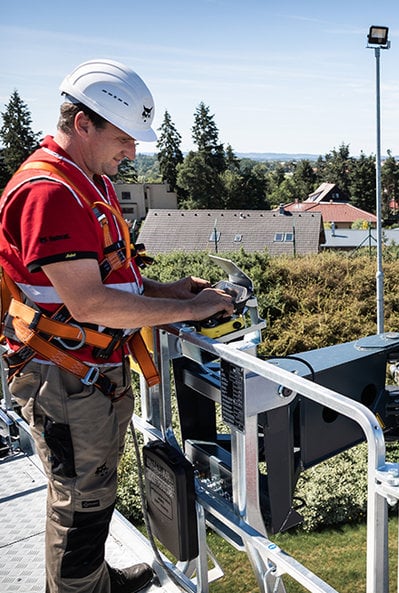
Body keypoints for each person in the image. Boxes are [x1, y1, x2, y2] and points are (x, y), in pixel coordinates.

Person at [0, 59, 235, 593]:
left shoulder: (88, 181)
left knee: (93, 492)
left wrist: (170, 291)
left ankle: (95, 579)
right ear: (83, 123)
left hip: (84, 373)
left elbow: (109, 277)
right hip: (65, 379)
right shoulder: (50, 193)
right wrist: (191, 311)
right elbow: (88, 303)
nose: (132, 151)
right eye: (124, 138)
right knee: (80, 503)